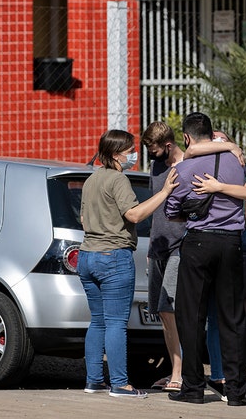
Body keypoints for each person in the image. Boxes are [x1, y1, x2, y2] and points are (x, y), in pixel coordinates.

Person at [78, 129, 179, 399]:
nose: (133, 155)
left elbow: (85, 221)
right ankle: (120, 384)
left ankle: (94, 380)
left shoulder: (92, 179)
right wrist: (165, 192)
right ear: (115, 154)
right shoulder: (117, 179)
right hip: (113, 257)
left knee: (97, 322)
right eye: (129, 151)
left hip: (88, 255)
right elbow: (134, 214)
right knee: (115, 323)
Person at [140, 122, 236, 397]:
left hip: (182, 245)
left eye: (153, 148)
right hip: (158, 246)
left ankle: (182, 374)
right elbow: (158, 207)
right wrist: (150, 249)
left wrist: (232, 145)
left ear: (169, 145)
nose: (150, 153)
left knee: (171, 308)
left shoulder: (189, 163)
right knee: (162, 312)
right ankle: (175, 370)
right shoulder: (157, 167)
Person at [164, 112, 246, 407]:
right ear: (213, 134)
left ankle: (193, 387)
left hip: (199, 243)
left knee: (191, 316)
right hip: (231, 243)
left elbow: (172, 209)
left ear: (187, 138)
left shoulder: (185, 168)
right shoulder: (235, 161)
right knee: (232, 318)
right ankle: (237, 392)